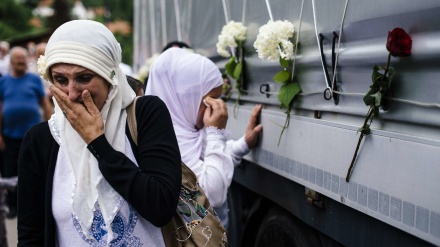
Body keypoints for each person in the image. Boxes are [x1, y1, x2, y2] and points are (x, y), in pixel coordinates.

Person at [17, 20, 182, 246]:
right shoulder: (41, 140)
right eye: (60, 80)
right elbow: (30, 236)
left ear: (109, 76)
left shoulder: (145, 115)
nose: (72, 93)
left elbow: (160, 207)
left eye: (84, 78)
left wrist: (98, 143)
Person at [145, 47, 263, 228]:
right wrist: (216, 132)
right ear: (187, 99)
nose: (218, 107)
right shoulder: (165, 143)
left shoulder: (189, 129)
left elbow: (212, 161)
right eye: (211, 100)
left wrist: (244, 144)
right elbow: (213, 195)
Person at [0, 46, 52, 219]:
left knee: (33, 170)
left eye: (23, 59)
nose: (21, 62)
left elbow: (45, 104)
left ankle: (33, 205)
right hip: (10, 135)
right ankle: (13, 205)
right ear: (12, 62)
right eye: (18, 59)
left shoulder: (35, 80)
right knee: (10, 172)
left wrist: (50, 127)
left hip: (32, 135)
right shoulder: (4, 81)